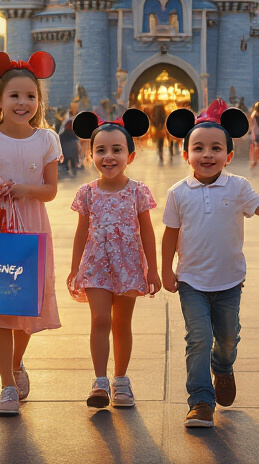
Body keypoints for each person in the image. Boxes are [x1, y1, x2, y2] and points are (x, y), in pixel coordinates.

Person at [162, 101, 259, 429]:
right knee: (198, 338)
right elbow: (169, 235)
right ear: (185, 155)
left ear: (229, 156)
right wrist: (165, 269)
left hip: (229, 281)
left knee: (227, 338)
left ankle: (222, 368)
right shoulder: (178, 193)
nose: (207, 155)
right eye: (198, 148)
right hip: (191, 280)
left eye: (216, 148)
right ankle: (200, 401)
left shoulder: (238, 187)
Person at [0, 51, 62, 417]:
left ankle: (17, 363)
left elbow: (50, 190)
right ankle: (6, 384)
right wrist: (0, 190)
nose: (23, 103)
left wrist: (23, 188)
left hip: (33, 226)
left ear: (38, 102)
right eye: (15, 96)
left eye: (30, 96)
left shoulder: (46, 140)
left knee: (26, 305)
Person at [66, 111, 160, 409]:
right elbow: (81, 233)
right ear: (90, 154)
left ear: (130, 156)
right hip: (95, 265)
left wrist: (154, 270)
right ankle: (99, 381)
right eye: (101, 150)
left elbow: (147, 231)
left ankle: (121, 379)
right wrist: (74, 269)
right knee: (100, 319)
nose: (109, 157)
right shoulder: (87, 193)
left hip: (129, 265)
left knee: (121, 323)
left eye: (117, 150)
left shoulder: (137, 191)